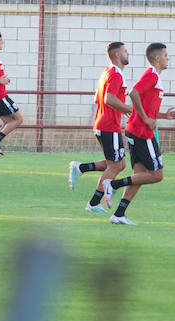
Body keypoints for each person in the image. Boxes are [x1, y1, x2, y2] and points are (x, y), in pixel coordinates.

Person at [103, 43, 175, 226]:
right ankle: (112, 185)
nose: (169, 59)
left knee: (140, 175)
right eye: (166, 55)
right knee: (157, 174)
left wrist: (163, 116)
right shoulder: (151, 75)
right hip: (142, 132)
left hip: (136, 129)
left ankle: (119, 214)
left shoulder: (155, 77)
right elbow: (133, 93)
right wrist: (146, 119)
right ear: (157, 58)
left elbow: (145, 105)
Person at [67, 42, 132, 213]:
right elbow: (109, 99)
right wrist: (128, 109)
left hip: (104, 123)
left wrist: (120, 108)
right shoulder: (116, 74)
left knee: (120, 163)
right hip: (109, 125)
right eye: (126, 51)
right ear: (117, 55)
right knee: (115, 166)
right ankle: (94, 203)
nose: (128, 53)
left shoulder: (106, 72)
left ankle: (81, 168)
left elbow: (98, 98)